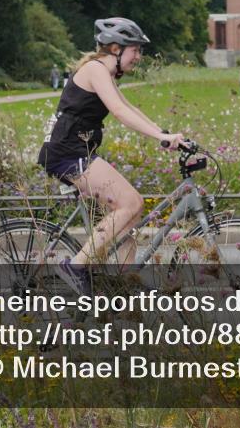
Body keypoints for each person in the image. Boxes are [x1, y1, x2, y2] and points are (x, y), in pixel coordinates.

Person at [38, 17, 185, 295]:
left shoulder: (104, 73)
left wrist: (165, 134)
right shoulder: (95, 69)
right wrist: (160, 137)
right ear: (116, 49)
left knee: (128, 219)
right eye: (135, 50)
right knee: (131, 203)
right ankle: (75, 266)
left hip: (78, 150)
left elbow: (129, 108)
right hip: (66, 152)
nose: (138, 57)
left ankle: (124, 287)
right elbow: (118, 111)